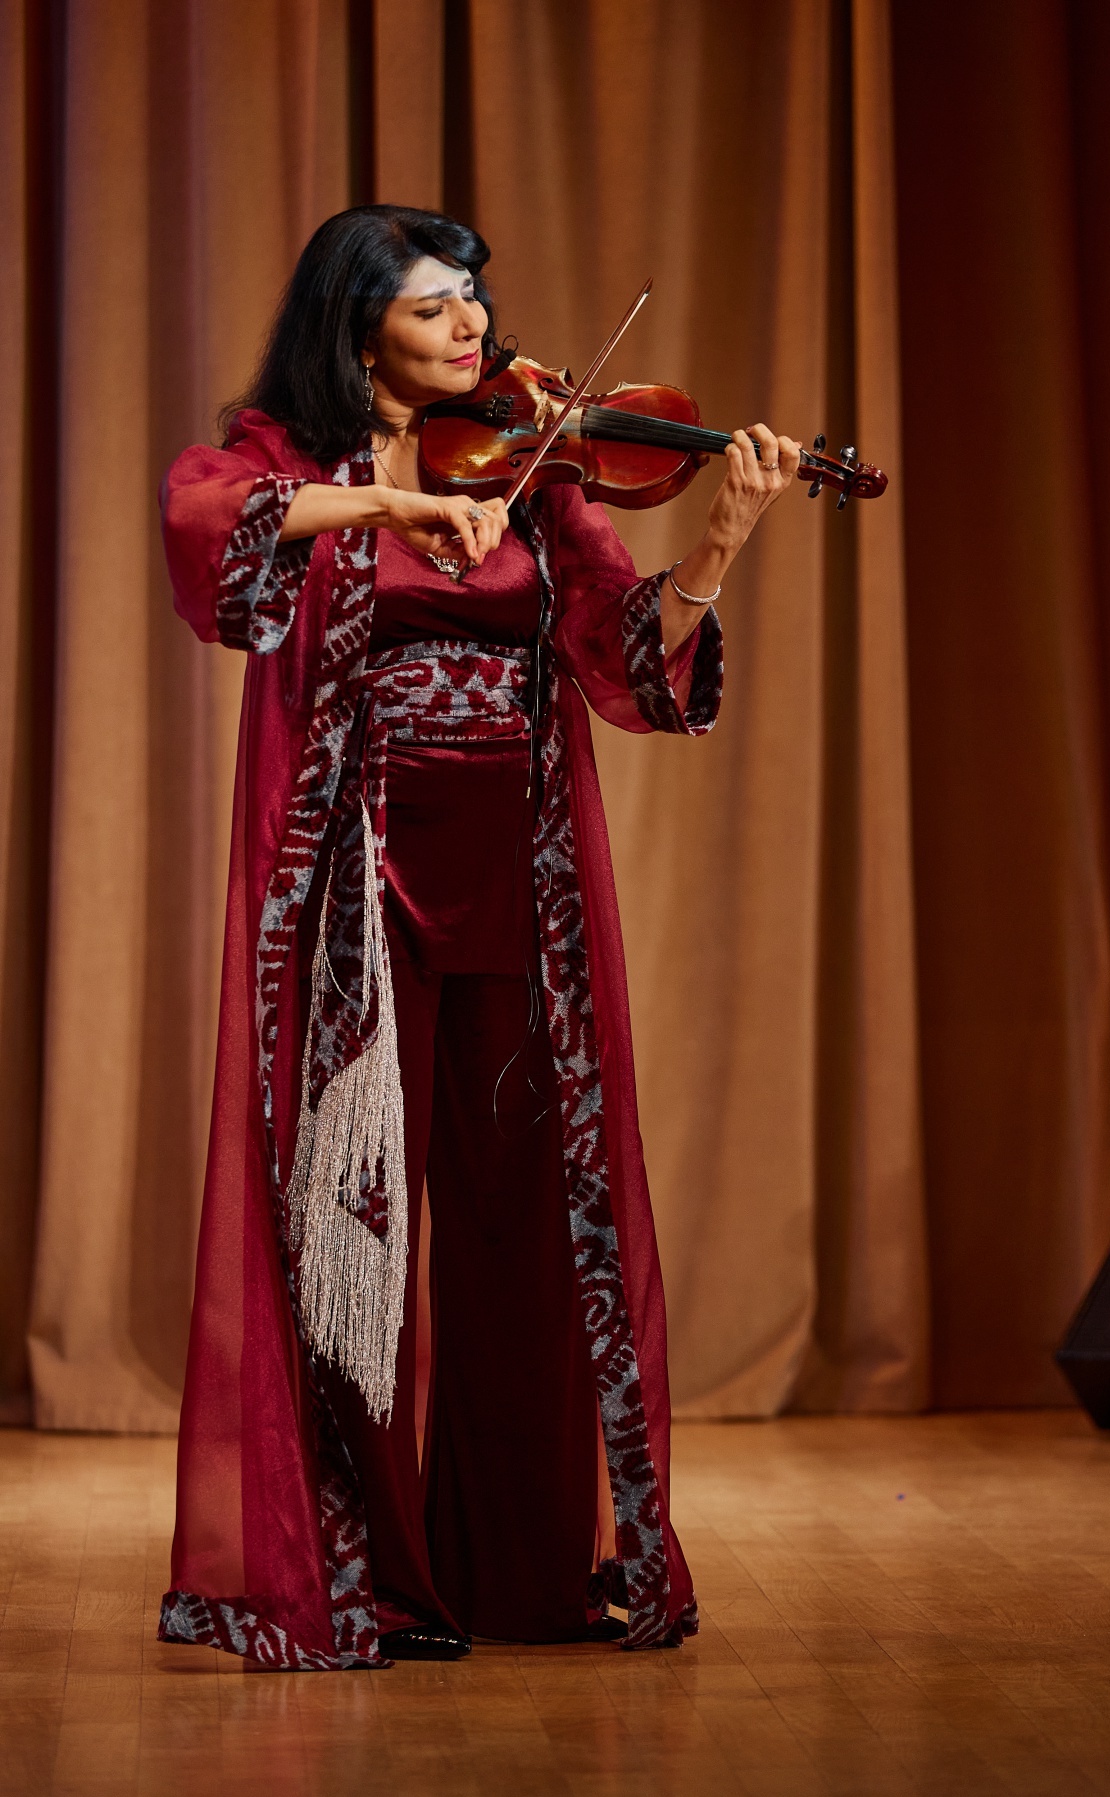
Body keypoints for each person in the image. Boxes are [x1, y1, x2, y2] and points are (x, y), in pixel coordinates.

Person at [159, 204, 801, 1669]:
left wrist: (718, 538)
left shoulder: (535, 461)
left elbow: (627, 667)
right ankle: (370, 1577)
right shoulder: (285, 457)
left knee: (523, 1223)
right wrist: (388, 512)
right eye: (434, 305)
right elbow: (213, 534)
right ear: (357, 324)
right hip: (353, 889)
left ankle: (516, 1572)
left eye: (474, 302)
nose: (473, 328)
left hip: (520, 880)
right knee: (352, 1227)